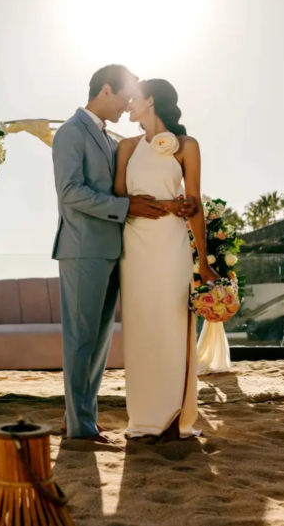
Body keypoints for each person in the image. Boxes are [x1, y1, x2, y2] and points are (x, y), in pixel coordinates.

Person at [52, 66, 196, 442]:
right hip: (83, 250)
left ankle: (82, 419)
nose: (126, 104)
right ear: (104, 90)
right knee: (81, 339)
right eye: (123, 97)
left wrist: (165, 205)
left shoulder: (109, 139)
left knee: (98, 343)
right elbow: (70, 192)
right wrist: (125, 207)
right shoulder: (70, 133)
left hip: (115, 250)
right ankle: (79, 426)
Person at [115, 78, 217, 439]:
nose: (128, 105)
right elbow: (120, 200)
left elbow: (195, 205)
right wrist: (167, 205)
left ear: (151, 101)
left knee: (174, 325)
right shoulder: (126, 147)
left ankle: (177, 417)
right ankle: (143, 419)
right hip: (136, 247)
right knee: (142, 329)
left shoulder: (187, 146)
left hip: (172, 247)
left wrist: (203, 261)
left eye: (134, 99)